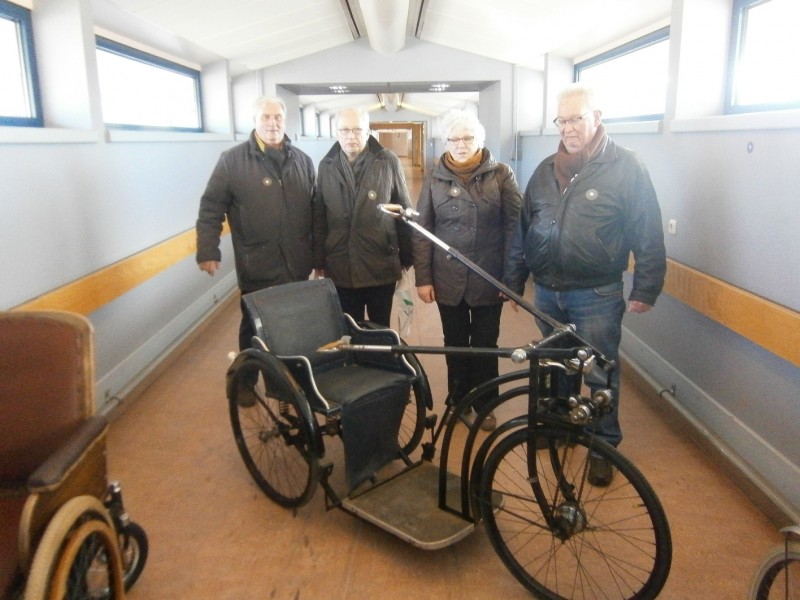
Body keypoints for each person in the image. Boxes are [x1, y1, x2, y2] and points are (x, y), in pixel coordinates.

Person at [505, 83, 666, 484]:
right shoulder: (544, 170)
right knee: (556, 366)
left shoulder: (626, 166)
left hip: (596, 293)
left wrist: (646, 287)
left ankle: (602, 443)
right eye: (562, 120)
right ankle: (560, 426)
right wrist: (513, 280)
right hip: (547, 291)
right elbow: (526, 229)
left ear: (597, 117)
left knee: (599, 373)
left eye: (576, 118)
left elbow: (647, 229)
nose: (568, 128)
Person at [196, 96, 317, 403]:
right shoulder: (232, 161)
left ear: (285, 120)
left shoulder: (302, 161)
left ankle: (289, 380)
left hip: (296, 263)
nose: (272, 123)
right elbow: (211, 207)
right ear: (254, 121)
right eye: (265, 117)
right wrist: (208, 249)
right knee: (253, 327)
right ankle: (245, 382)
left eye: (277, 117)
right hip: (257, 262)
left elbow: (315, 212)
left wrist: (319, 257)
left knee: (293, 324)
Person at [413, 109, 521, 432]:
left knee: (486, 343)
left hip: (489, 277)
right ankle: (458, 399)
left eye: (467, 138)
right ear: (446, 142)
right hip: (448, 278)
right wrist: (423, 278)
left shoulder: (501, 175)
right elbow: (422, 228)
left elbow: (515, 229)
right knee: (455, 342)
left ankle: (486, 403)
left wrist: (512, 280)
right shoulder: (435, 176)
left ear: (480, 140)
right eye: (454, 139)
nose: (460, 144)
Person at [313, 107, 413, 326]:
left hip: (380, 263)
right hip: (341, 265)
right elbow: (320, 216)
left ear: (368, 132)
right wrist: (319, 258)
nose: (351, 136)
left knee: (381, 329)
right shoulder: (326, 165)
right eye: (345, 130)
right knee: (349, 330)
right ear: (337, 133)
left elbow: (403, 209)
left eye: (357, 130)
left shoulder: (387, 161)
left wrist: (407, 256)